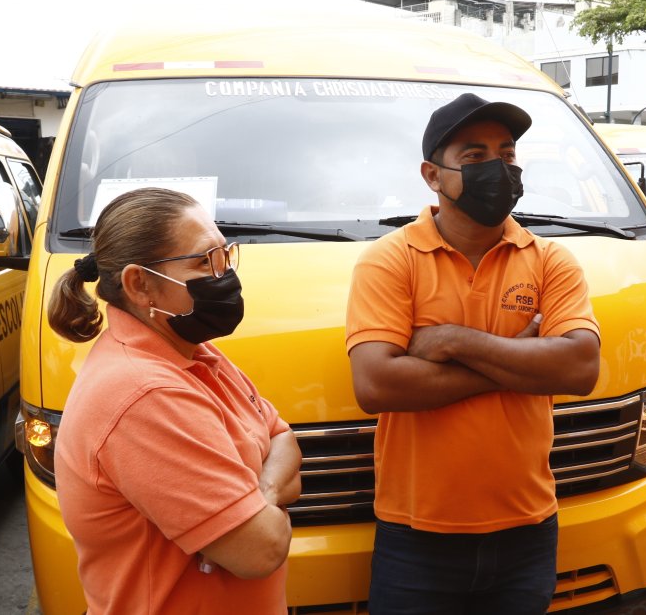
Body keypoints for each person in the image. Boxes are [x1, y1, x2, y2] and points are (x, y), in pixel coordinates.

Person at [346, 93, 602, 614]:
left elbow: (579, 368)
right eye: (475, 157)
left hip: (527, 530)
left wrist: (453, 341)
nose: (498, 170)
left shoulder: (551, 259)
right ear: (432, 175)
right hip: (416, 537)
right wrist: (519, 362)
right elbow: (376, 385)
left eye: (507, 155)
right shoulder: (390, 261)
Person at [48, 187, 300, 615]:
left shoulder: (194, 352)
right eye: (204, 261)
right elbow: (260, 550)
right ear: (139, 284)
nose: (224, 275)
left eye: (225, 255)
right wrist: (263, 499)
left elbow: (285, 439)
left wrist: (261, 493)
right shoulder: (144, 394)